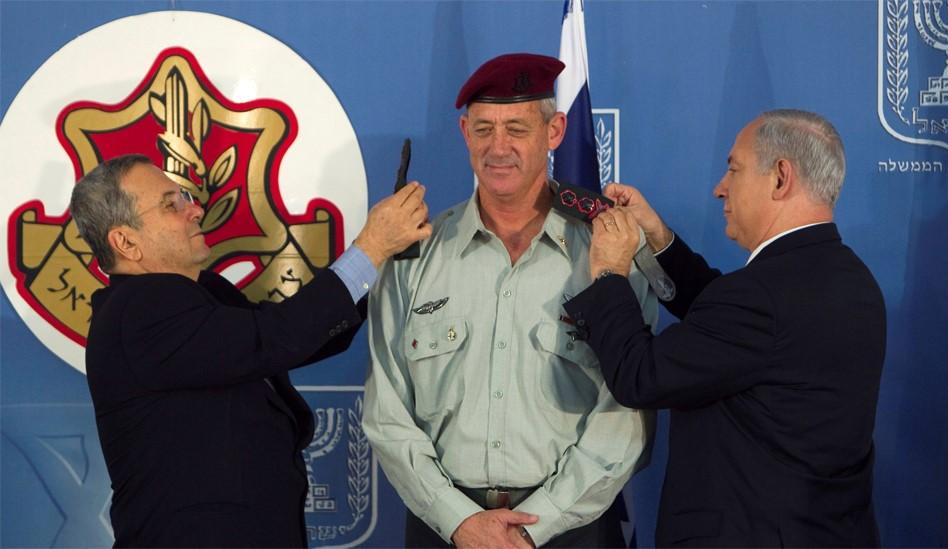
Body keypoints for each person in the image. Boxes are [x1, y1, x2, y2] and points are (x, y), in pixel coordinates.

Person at [363, 53, 657, 549]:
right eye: (483, 129)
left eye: (517, 128)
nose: (498, 148)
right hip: (446, 530)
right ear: (463, 132)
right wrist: (458, 519)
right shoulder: (413, 254)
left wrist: (539, 521)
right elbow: (386, 409)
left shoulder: (610, 251)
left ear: (556, 131)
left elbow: (626, 413)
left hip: (571, 531)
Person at [69, 154, 430, 547]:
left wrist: (380, 266)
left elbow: (302, 339)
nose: (196, 209)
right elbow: (278, 336)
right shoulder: (138, 312)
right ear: (125, 242)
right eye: (170, 204)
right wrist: (371, 247)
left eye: (184, 196)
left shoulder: (203, 292)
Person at [564, 110, 886, 547]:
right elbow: (731, 332)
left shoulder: (760, 298)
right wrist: (657, 239)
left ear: (780, 178)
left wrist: (609, 274)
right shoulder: (851, 279)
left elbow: (640, 375)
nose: (719, 188)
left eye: (733, 169)